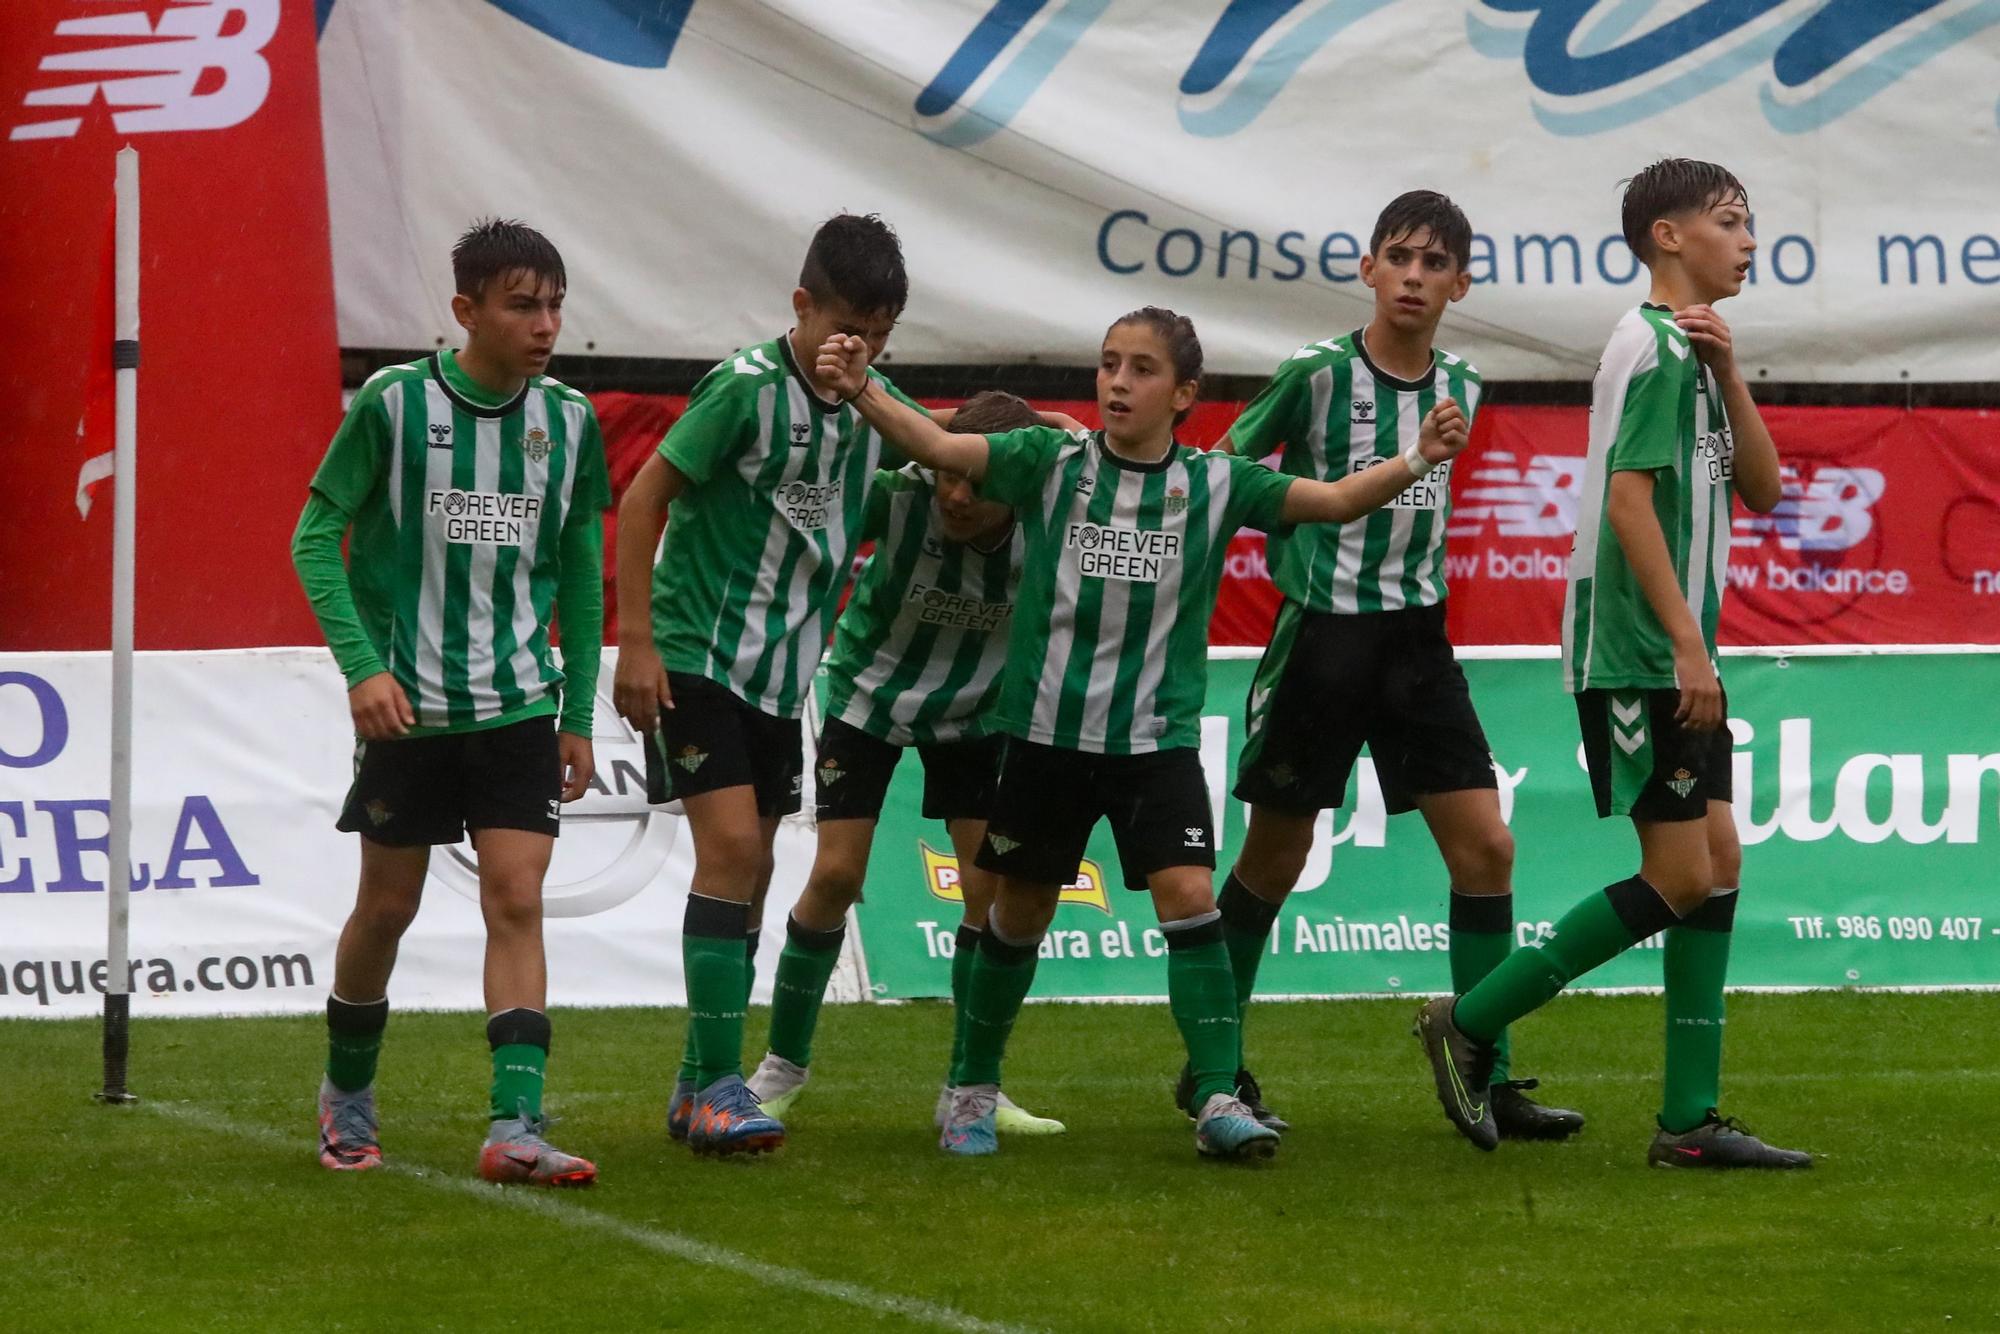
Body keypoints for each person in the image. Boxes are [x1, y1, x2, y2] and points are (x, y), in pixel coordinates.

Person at [816, 306, 1470, 1159]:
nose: (1119, 382)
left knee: (1191, 900)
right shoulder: (1049, 462)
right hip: (1047, 738)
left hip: (1155, 744)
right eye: (1109, 364)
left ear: (1185, 393)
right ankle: (971, 1089)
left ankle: (1217, 1097)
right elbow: (942, 450)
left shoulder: (1216, 481)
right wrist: (863, 385)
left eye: (1142, 369)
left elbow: (1339, 499)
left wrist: (1421, 455)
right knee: (1018, 914)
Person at [1415, 158, 1811, 1169]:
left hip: (1672, 644)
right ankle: (1468, 1019)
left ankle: (1686, 1119)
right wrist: (1685, 643)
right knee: (1679, 871)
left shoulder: (1694, 351)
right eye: (1729, 220)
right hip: (1635, 648)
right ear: (1666, 237)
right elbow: (1629, 503)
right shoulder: (1649, 346)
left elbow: (1761, 489)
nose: (1747, 238)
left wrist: (1730, 371)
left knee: (1715, 864)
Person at [1213, 190, 1579, 1140]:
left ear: (1461, 283)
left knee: (1488, 849)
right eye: (1399, 258)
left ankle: (1482, 1066)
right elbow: (1222, 476)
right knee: (1274, 857)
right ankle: (1216, 1071)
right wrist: (1318, 505)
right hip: (1322, 640)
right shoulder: (1316, 373)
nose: (1414, 277)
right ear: (1368, 269)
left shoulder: (1465, 379)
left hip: (1417, 639)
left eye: (1434, 264)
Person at [291, 218, 609, 1185]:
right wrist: (361, 667)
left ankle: (516, 1123)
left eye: (555, 304)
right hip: (411, 713)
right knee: (385, 909)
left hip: (517, 707)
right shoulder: (393, 404)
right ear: (466, 311)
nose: (545, 324)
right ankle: (347, 1095)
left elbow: (581, 572)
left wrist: (580, 712)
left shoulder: (571, 420)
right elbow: (316, 536)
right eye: (523, 306)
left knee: (517, 898)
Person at [613, 213, 925, 1157]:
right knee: (736, 852)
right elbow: (642, 498)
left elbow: (934, 463)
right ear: (801, 305)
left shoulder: (876, 405)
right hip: (697, 654)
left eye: (877, 332)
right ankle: (715, 1083)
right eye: (845, 326)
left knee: (750, 883)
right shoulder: (745, 390)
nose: (859, 348)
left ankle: (696, 1083)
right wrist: (633, 641)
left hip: (784, 677)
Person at [745, 390, 1062, 1140]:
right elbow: (846, 436)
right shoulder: (898, 497)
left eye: (974, 483)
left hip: (979, 714)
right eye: (946, 475)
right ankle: (781, 1067)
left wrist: (1054, 431)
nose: (954, 493)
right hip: (868, 697)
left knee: (989, 898)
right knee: (835, 877)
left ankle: (970, 1087)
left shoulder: (1053, 522)